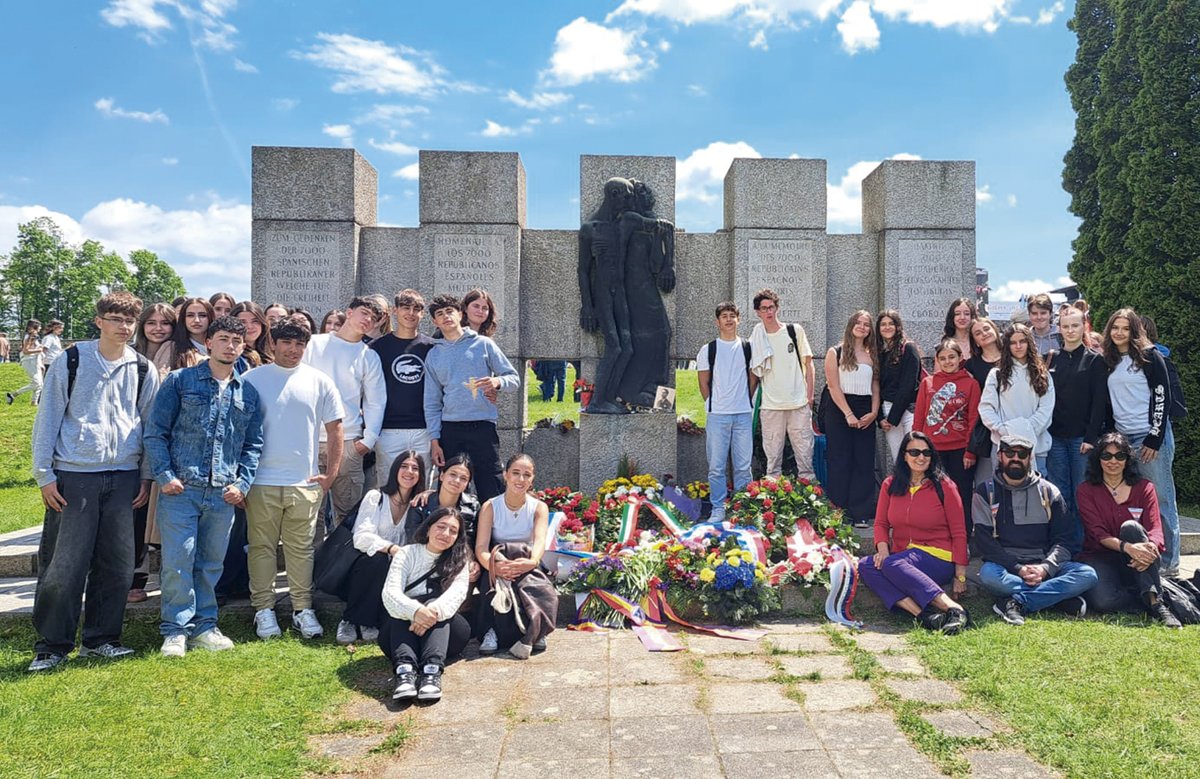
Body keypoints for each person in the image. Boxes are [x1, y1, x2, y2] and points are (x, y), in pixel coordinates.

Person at [28, 291, 161, 672]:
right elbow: (48, 418)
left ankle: (102, 639)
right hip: (75, 473)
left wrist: (147, 474)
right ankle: (52, 644)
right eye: (116, 318)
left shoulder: (141, 368)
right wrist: (44, 475)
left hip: (124, 475)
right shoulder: (71, 361)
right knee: (63, 563)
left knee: (117, 564)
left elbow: (148, 426)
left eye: (129, 321)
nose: (124, 327)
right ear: (99, 320)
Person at [144, 316, 264, 657]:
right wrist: (165, 476)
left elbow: (252, 444)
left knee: (211, 563)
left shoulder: (247, 391)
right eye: (223, 338)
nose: (230, 346)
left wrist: (242, 483)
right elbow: (156, 432)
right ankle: (175, 630)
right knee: (178, 561)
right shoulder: (181, 382)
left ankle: (205, 626)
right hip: (183, 489)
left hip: (223, 492)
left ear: (243, 346)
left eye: (236, 341)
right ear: (208, 342)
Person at [242, 320, 345, 640]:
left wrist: (330, 474)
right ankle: (263, 610)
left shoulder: (319, 381)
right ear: (272, 343)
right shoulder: (251, 379)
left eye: (300, 344)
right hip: (261, 481)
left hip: (304, 482)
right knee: (261, 547)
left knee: (301, 549)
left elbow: (336, 429)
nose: (293, 350)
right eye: (286, 343)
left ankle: (303, 608)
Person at [972, 425, 1097, 626]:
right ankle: (1055, 597)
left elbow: (1065, 540)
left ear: (1030, 458)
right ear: (1000, 456)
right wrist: (1019, 568)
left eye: (1022, 454)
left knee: (1087, 575)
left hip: (1044, 563)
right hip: (1006, 567)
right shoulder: (985, 492)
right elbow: (985, 542)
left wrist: (1045, 569)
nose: (1015, 458)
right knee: (988, 576)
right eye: (1009, 453)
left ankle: (1017, 601)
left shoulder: (1049, 492)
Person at [858, 432, 970, 633]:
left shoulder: (945, 485)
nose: (921, 457)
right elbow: (881, 523)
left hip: (938, 556)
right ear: (904, 455)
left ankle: (954, 609)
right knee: (866, 565)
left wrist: (960, 575)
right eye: (915, 452)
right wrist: (882, 549)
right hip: (902, 557)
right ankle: (925, 615)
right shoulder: (890, 485)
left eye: (926, 452)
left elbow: (960, 532)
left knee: (892, 563)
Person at [1100, 308, 1181, 577]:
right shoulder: (1109, 360)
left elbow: (1162, 398)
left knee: (1161, 498)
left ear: (1134, 331)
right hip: (1123, 441)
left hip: (1149, 437)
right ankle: (1141, 554)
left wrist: (1154, 439)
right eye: (1115, 328)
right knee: (1134, 501)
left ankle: (1169, 562)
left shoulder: (1149, 357)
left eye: (1125, 328)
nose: (1119, 333)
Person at [1076, 433, 1180, 627]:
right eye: (1106, 456)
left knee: (1131, 527)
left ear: (1128, 459)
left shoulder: (1145, 487)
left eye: (1120, 456)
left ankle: (1157, 604)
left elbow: (1156, 528)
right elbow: (1098, 533)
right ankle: (1144, 593)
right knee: (1103, 602)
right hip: (1101, 556)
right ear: (1098, 459)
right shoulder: (1086, 490)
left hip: (1142, 556)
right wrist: (1129, 549)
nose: (1113, 461)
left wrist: (1148, 548)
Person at [424, 294, 519, 502]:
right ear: (434, 321)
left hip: (482, 426)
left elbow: (514, 378)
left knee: (490, 484)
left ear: (460, 314)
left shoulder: (484, 344)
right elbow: (431, 402)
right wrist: (435, 440)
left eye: (450, 311)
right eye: (440, 314)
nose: (446, 316)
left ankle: (493, 532)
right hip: (450, 428)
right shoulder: (433, 355)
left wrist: (497, 382)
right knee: (451, 487)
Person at [302, 296, 387, 528]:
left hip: (348, 443)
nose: (368, 320)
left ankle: (340, 564)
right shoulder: (313, 344)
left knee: (348, 515)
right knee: (310, 516)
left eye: (373, 318)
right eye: (364, 313)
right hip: (308, 442)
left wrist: (367, 441)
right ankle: (313, 564)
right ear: (349, 313)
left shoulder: (368, 356)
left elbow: (376, 401)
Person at [379, 506, 473, 702]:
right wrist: (415, 611)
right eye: (441, 527)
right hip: (403, 630)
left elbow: (457, 595)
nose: (446, 534)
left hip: (448, 635)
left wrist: (430, 613)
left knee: (434, 602)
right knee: (402, 609)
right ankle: (405, 671)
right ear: (429, 527)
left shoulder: (460, 560)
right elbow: (391, 592)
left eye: (453, 531)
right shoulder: (406, 553)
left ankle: (431, 672)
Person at [337, 450, 428, 645]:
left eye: (415, 468)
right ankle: (350, 620)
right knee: (376, 560)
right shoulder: (376, 497)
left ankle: (368, 622)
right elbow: (360, 537)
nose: (409, 471)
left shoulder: (418, 505)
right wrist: (391, 548)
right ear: (395, 469)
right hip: (363, 565)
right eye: (404, 466)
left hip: (397, 567)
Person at [474, 453, 553, 658]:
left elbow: (539, 541)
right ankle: (490, 631)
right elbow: (481, 547)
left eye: (526, 475)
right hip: (499, 561)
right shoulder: (490, 506)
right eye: (516, 473)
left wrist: (531, 562)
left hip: (526, 560)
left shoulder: (539, 507)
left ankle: (537, 629)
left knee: (540, 587)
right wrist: (494, 566)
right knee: (489, 584)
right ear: (505, 475)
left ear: (532, 479)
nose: (520, 479)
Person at [129, 302, 177, 603]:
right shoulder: (129, 355)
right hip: (130, 442)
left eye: (165, 322)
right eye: (151, 322)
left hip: (162, 442)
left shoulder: (176, 352)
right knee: (134, 512)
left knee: (151, 513)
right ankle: (134, 575)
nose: (158, 328)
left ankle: (146, 575)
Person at [1045, 307, 1107, 522]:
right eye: (1065, 326)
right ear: (1059, 329)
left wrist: (1091, 437)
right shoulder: (1051, 359)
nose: (1070, 330)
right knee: (1059, 492)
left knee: (1082, 492)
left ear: (1084, 327)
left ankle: (1083, 544)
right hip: (1055, 437)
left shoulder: (1095, 360)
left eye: (1075, 325)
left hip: (1082, 439)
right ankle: (1063, 542)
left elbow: (1100, 403)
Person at [696, 302, 757, 521]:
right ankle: (718, 507)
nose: (729, 319)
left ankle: (742, 508)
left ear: (738, 320)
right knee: (716, 466)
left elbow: (753, 377)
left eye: (733, 315)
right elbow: (703, 382)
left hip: (742, 414)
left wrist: (744, 399)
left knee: (743, 466)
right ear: (717, 321)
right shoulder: (708, 349)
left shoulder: (748, 347)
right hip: (717, 415)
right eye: (724, 316)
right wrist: (715, 402)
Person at [913, 339, 980, 532]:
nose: (948, 361)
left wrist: (970, 451)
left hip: (960, 451)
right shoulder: (928, 383)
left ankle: (963, 537)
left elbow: (974, 419)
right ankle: (935, 536)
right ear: (937, 361)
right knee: (933, 495)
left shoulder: (971, 384)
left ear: (960, 358)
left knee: (961, 496)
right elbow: (920, 417)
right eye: (942, 358)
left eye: (952, 357)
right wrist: (917, 449)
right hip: (932, 451)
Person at [748, 289, 815, 480]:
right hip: (770, 406)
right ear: (757, 312)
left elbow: (809, 364)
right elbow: (753, 372)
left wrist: (809, 397)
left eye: (772, 307)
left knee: (805, 458)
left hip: (798, 403)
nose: (769, 312)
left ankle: (811, 498)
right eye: (764, 308)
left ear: (777, 308)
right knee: (772, 462)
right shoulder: (756, 338)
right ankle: (773, 501)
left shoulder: (794, 331)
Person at [823, 310, 881, 527]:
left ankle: (861, 512)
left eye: (867, 324)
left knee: (863, 462)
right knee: (840, 460)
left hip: (865, 407)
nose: (862, 327)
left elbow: (875, 386)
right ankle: (838, 510)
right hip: (839, 409)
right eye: (858, 322)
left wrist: (874, 412)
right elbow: (833, 385)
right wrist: (848, 413)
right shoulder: (835, 351)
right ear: (850, 325)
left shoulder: (871, 354)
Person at [370, 289, 436, 472]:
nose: (411, 313)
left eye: (416, 309)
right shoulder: (376, 348)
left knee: (421, 490)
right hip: (388, 430)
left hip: (424, 429)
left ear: (422, 314)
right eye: (405, 308)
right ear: (394, 310)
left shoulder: (431, 347)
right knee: (388, 488)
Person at [978, 323, 1055, 475]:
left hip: (1036, 445)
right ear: (1007, 346)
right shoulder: (997, 374)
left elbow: (1046, 408)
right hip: (1004, 445)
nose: (1018, 346)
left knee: (1037, 492)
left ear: (1029, 343)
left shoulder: (1042, 374)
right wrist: (1003, 429)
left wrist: (1027, 429)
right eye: (1013, 342)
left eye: (1022, 341)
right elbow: (986, 407)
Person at [876, 309, 921, 462]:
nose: (887, 327)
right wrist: (881, 418)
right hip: (887, 409)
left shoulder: (908, 348)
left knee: (914, 455)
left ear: (898, 326)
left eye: (891, 323)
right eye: (883, 324)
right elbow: (876, 387)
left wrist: (892, 418)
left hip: (909, 410)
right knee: (898, 459)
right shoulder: (878, 353)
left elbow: (908, 385)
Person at [965, 317, 1004, 485]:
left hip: (1011, 419)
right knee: (985, 480)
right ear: (975, 342)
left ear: (995, 329)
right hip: (985, 427)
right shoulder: (971, 365)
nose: (984, 334)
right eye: (978, 333)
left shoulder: (1012, 356)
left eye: (987, 329)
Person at [158, 297, 213, 372]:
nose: (196, 320)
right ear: (183, 319)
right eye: (190, 315)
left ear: (210, 318)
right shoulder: (171, 347)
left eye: (202, 315)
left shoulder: (219, 346)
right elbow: (161, 378)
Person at [8, 319, 44, 405]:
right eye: (39, 326)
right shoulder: (31, 336)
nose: (40, 328)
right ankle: (14, 394)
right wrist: (38, 350)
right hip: (29, 360)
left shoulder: (31, 336)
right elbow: (25, 351)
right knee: (37, 383)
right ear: (34, 327)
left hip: (34, 361)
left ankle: (34, 402)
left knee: (40, 383)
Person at [231, 301, 274, 369]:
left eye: (255, 321)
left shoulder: (273, 352)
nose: (250, 326)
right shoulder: (233, 355)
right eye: (243, 322)